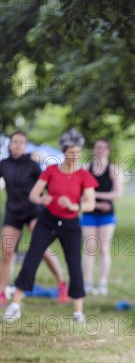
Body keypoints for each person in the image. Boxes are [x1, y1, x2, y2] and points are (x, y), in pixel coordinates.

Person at [3, 129, 98, 322]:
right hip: (47, 221)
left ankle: (78, 311)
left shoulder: (84, 175)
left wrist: (75, 206)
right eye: (71, 153)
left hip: (71, 223)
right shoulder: (51, 170)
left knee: (74, 266)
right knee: (32, 258)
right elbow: (33, 195)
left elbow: (90, 203)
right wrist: (42, 199)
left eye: (78, 153)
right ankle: (15, 305)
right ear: (63, 151)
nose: (74, 157)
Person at [0, 131, 67, 306]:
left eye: (22, 142)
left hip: (33, 211)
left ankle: (62, 283)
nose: (18, 145)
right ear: (10, 144)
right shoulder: (4, 164)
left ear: (25, 145)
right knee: (7, 253)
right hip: (13, 213)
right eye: (15, 141)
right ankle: (2, 291)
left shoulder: (33, 163)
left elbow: (48, 184)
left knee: (42, 248)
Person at [80, 138, 122, 295]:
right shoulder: (85, 169)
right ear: (93, 150)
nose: (100, 150)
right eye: (98, 147)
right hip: (89, 212)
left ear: (108, 151)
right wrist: (97, 202)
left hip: (107, 215)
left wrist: (93, 195)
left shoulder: (113, 170)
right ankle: (88, 282)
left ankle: (102, 283)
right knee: (89, 248)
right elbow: (80, 195)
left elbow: (117, 194)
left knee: (104, 249)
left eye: (104, 147)